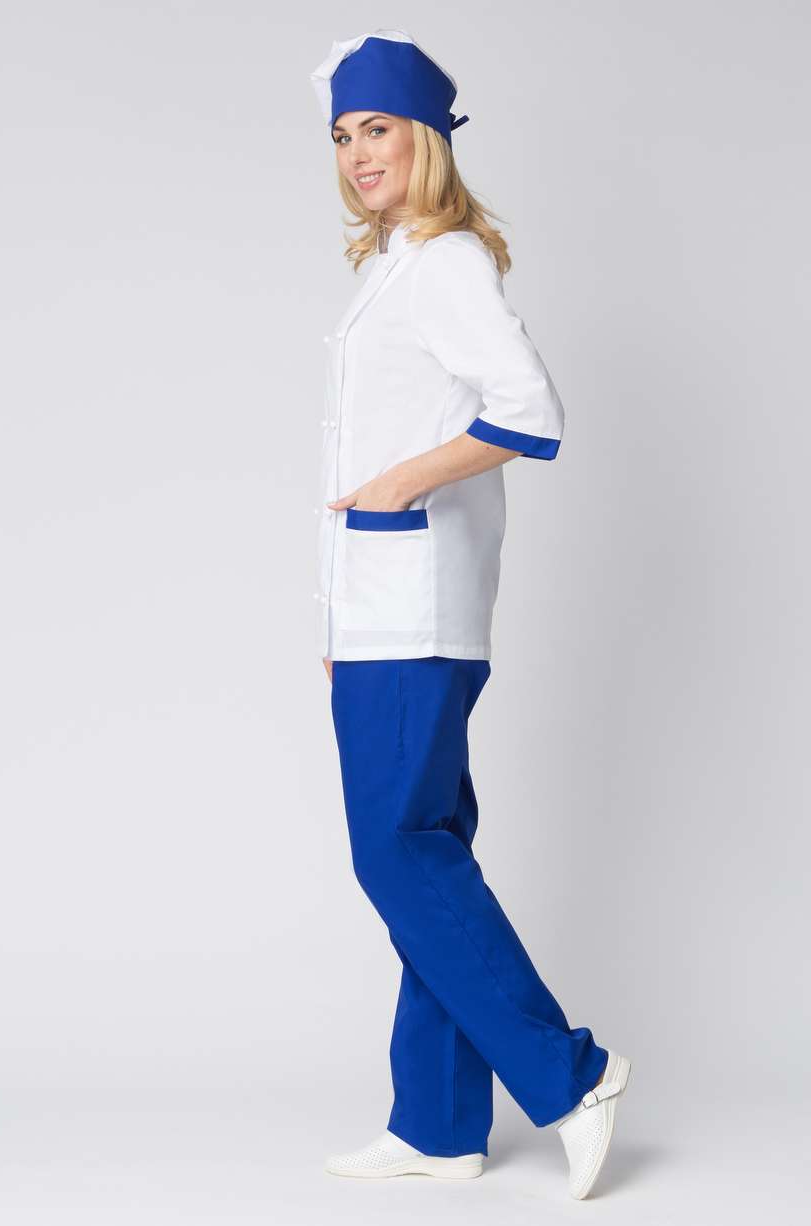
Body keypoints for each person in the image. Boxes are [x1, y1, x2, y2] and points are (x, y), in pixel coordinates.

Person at [308, 29, 632, 1200]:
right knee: (428, 851)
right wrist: (336, 621)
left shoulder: (443, 262)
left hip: (416, 608)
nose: (358, 153)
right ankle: (441, 1122)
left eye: (379, 129)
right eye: (342, 135)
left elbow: (529, 410)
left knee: (399, 853)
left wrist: (400, 484)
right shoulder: (393, 265)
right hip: (382, 613)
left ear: (427, 139)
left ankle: (570, 1072)